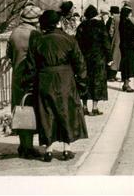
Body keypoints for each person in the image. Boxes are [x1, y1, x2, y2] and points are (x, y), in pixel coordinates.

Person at [24, 10, 88, 162]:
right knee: (66, 111)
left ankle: (48, 150)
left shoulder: (37, 41)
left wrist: (28, 84)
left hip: (45, 79)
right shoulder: (69, 39)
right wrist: (82, 83)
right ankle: (67, 149)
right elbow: (80, 63)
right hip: (65, 79)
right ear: (58, 22)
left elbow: (31, 66)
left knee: (46, 113)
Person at [6, 4, 43, 159]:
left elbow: (9, 55)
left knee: (20, 110)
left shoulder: (14, 33)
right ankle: (28, 148)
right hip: (30, 76)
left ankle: (23, 145)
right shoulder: (34, 34)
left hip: (16, 76)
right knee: (30, 110)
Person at [75, 5, 111, 115]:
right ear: (95, 14)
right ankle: (95, 108)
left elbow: (77, 43)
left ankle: (84, 107)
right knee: (98, 81)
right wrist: (109, 57)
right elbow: (106, 42)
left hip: (85, 58)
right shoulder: (100, 25)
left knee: (85, 81)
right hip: (98, 58)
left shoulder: (82, 25)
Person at [118, 4, 134, 92]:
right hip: (128, 47)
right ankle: (126, 84)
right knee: (128, 66)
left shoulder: (124, 21)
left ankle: (126, 84)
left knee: (127, 65)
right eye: (130, 12)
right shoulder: (125, 23)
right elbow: (128, 36)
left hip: (127, 47)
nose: (131, 14)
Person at [107, 6, 121, 81]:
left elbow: (111, 32)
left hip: (115, 40)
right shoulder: (122, 18)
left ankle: (111, 76)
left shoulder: (113, 19)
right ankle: (114, 75)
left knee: (112, 57)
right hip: (121, 40)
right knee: (118, 58)